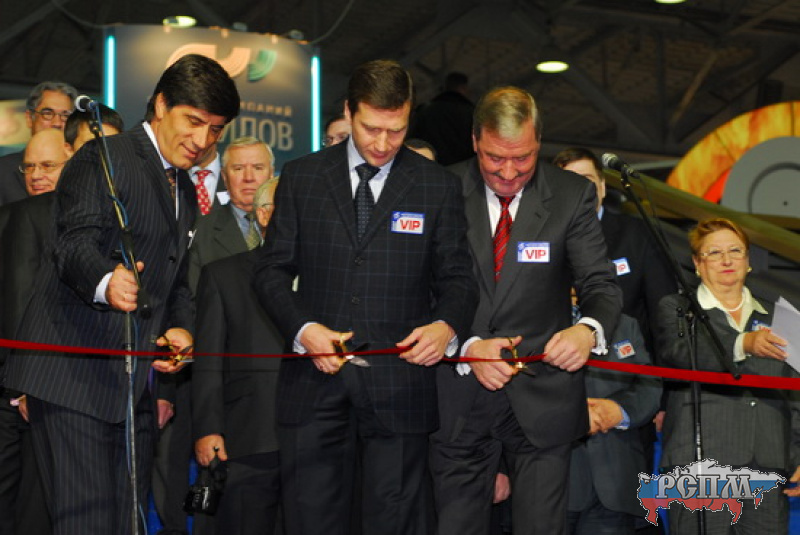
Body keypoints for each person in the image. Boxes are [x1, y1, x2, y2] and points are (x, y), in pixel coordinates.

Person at [2, 54, 240, 534]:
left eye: (215, 130)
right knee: (87, 524)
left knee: (123, 523)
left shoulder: (180, 185)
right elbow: (72, 243)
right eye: (193, 122)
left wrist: (179, 329)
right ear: (161, 105)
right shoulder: (105, 156)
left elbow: (174, 282)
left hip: (128, 390)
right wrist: (107, 281)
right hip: (73, 379)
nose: (202, 141)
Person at [254, 59, 477, 535]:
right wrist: (303, 330)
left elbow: (459, 278)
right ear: (348, 112)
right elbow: (271, 271)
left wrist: (446, 326)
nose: (382, 143)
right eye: (371, 128)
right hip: (314, 387)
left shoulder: (437, 185)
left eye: (396, 131)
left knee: (392, 522)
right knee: (310, 520)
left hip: (400, 388)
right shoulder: (303, 177)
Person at [430, 86, 622, 535]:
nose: (509, 172)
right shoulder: (439, 188)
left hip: (543, 397)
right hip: (459, 395)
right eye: (495, 158)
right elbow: (420, 288)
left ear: (539, 143)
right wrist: (469, 345)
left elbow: (600, 283)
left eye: (523, 158)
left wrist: (587, 330)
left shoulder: (571, 195)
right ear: (475, 140)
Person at [657, 217, 800, 534]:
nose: (726, 260)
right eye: (714, 252)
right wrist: (742, 344)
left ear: (748, 261)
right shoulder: (678, 309)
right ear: (697, 263)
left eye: (735, 251)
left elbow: (795, 392)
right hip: (700, 463)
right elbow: (679, 355)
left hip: (767, 462)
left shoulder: (779, 316)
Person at [0, 123, 79, 535]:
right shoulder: (14, 217)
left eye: (47, 165)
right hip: (19, 386)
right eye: (28, 167)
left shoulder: (83, 223)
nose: (35, 175)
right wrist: (24, 385)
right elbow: (16, 305)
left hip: (56, 387)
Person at [192, 179, 282, 535]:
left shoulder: (331, 277)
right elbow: (209, 361)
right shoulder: (223, 275)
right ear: (263, 215)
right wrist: (208, 429)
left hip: (318, 440)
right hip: (247, 436)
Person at [567, 301, 662, 534]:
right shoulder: (530, 323)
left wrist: (619, 411)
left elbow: (649, 384)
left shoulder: (624, 324)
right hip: (550, 481)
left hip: (615, 477)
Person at [187, 136, 275, 290]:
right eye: (239, 168)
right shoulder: (201, 232)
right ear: (224, 177)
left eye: (258, 168)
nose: (248, 178)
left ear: (271, 174)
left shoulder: (291, 226)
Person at [0, 81, 77, 205]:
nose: (57, 123)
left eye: (65, 115)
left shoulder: (85, 170)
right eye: (47, 114)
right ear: (29, 118)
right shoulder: (3, 171)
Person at [410, 72, 474, 165]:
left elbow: (414, 141)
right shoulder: (471, 113)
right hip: (461, 168)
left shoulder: (425, 111)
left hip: (429, 167)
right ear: (463, 88)